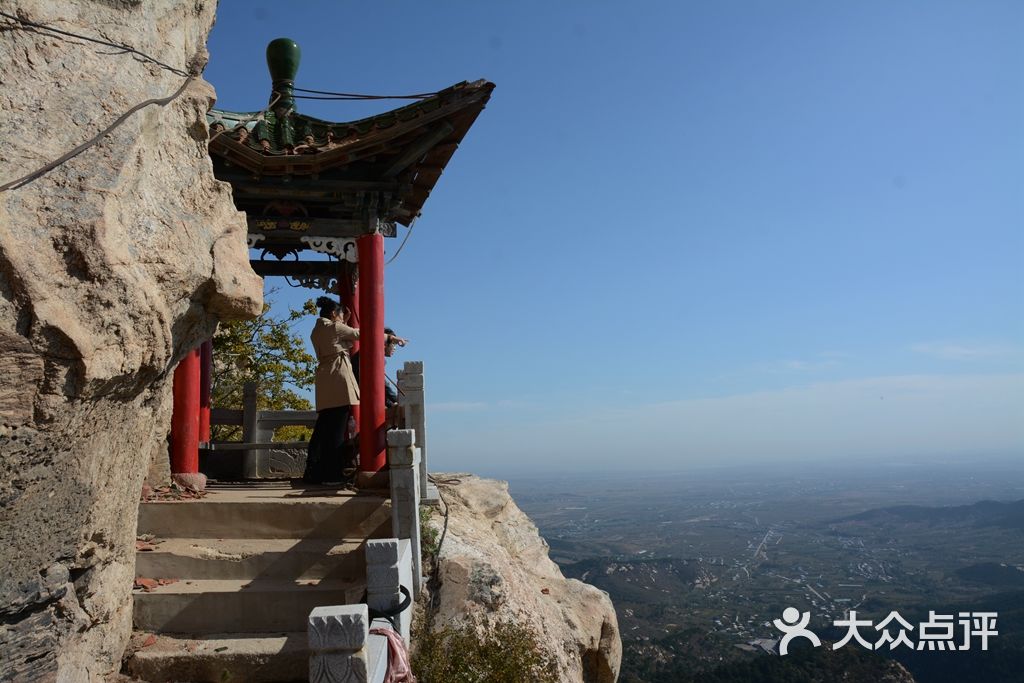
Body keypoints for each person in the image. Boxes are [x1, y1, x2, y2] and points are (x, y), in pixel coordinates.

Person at [303, 296, 360, 485]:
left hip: (325, 378)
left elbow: (341, 336)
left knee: (324, 428)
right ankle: (332, 474)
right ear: (334, 314)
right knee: (337, 430)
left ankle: (315, 470)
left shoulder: (317, 330)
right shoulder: (335, 327)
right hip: (339, 379)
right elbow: (360, 334)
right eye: (341, 314)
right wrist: (389, 337)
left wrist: (343, 319)